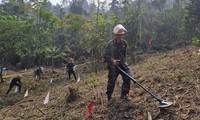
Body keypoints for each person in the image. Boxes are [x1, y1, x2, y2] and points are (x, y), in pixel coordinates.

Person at [104, 24, 131, 102]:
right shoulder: (110, 44)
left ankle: (124, 95)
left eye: (121, 35)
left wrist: (122, 62)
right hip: (113, 67)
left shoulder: (124, 43)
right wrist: (112, 61)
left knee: (127, 78)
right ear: (115, 35)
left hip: (122, 64)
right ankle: (109, 97)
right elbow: (106, 56)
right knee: (111, 81)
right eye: (118, 35)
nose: (120, 36)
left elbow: (124, 54)